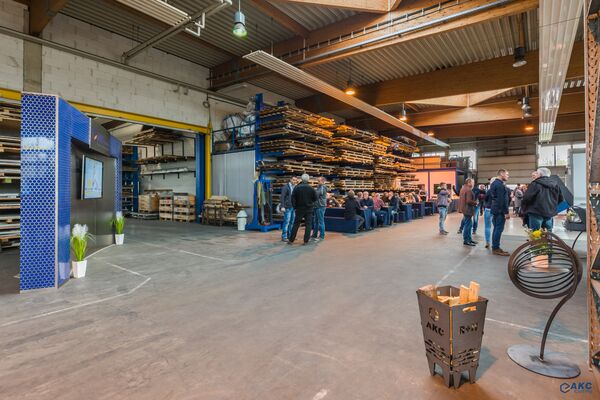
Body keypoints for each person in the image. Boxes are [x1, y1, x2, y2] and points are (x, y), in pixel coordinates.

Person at [288, 174, 317, 245]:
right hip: (309, 209)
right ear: (308, 180)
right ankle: (306, 241)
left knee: (296, 224)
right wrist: (310, 203)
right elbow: (315, 198)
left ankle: (291, 240)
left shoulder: (297, 188)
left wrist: (295, 207)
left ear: (301, 179)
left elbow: (293, 198)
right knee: (308, 225)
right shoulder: (311, 188)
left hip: (299, 209)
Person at [489, 169, 511, 256]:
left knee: (496, 229)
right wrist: (506, 212)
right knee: (498, 229)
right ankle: (496, 248)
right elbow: (502, 200)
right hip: (500, 210)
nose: (508, 176)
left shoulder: (494, 183)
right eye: (507, 174)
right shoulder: (500, 185)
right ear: (501, 174)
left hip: (495, 209)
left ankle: (495, 247)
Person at [458, 178, 478, 246]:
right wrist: (475, 202)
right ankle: (466, 240)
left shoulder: (463, 188)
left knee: (468, 225)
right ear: (469, 182)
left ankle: (469, 239)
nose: (473, 184)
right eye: (473, 182)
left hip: (464, 209)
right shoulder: (468, 190)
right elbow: (468, 201)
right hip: (468, 210)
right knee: (468, 226)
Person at [279, 176, 297, 242]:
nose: (295, 181)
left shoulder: (295, 187)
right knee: (286, 222)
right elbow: (282, 197)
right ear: (290, 180)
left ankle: (290, 236)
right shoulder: (286, 187)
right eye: (294, 180)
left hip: (293, 207)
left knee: (292, 222)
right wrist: (282, 206)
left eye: (296, 180)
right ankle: (284, 236)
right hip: (287, 207)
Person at [311, 177, 328, 241]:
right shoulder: (319, 187)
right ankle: (314, 234)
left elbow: (317, 195)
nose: (317, 182)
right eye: (317, 181)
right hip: (316, 206)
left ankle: (321, 236)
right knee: (316, 221)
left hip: (321, 206)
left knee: (321, 221)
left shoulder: (323, 187)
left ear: (323, 181)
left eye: (319, 181)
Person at [483, 178, 495, 248]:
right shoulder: (499, 190)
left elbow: (485, 199)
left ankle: (487, 242)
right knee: (496, 227)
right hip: (496, 210)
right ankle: (495, 242)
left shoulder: (489, 191)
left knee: (487, 227)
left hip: (488, 209)